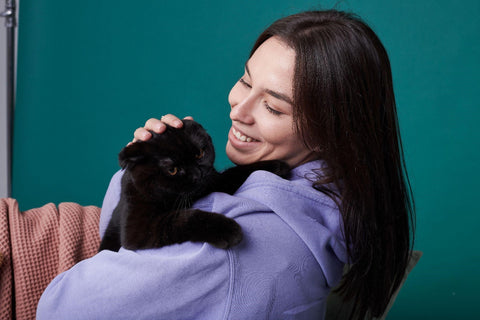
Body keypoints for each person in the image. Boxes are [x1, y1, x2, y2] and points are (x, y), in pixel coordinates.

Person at [37, 9, 414, 320]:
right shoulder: (331, 201)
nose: (239, 108)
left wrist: (135, 184)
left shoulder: (230, 245)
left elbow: (62, 307)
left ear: (328, 132)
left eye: (273, 106)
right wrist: (141, 172)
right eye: (246, 80)